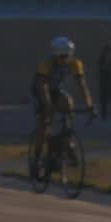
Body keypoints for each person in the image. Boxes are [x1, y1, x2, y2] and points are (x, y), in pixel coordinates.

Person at [30, 36, 95, 175]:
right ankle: (36, 158)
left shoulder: (75, 63)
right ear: (54, 55)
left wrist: (90, 106)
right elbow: (42, 87)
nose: (65, 60)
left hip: (55, 90)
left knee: (68, 102)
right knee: (44, 124)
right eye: (61, 57)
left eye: (67, 57)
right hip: (39, 92)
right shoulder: (46, 64)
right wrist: (47, 107)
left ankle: (68, 142)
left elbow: (82, 86)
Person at [98, 44, 111, 121]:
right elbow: (101, 69)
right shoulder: (101, 60)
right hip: (103, 83)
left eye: (109, 52)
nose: (108, 54)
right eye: (106, 52)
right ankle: (104, 115)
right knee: (104, 100)